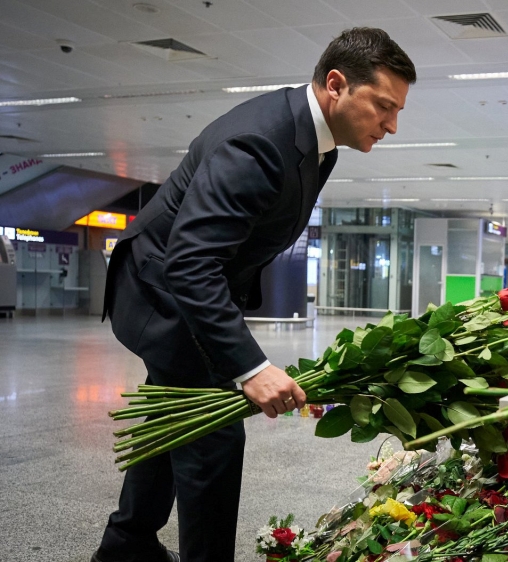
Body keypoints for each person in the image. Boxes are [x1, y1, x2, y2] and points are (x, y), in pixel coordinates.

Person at [92, 28, 416, 562]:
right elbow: (191, 262)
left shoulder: (318, 143)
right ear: (336, 85)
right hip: (161, 291)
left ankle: (125, 545)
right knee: (214, 439)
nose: (392, 125)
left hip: (183, 285)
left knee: (173, 415)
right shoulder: (257, 144)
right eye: (384, 106)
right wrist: (251, 367)